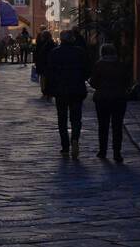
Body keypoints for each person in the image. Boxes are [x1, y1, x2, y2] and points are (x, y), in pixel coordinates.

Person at [45, 29, 90, 159]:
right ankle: (75, 138)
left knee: (62, 119)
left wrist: (49, 90)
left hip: (60, 91)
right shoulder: (80, 53)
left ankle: (65, 147)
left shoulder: (54, 53)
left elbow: (50, 73)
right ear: (72, 39)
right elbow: (87, 71)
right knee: (76, 118)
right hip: (77, 90)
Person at [88, 43, 131, 162]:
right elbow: (127, 81)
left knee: (103, 126)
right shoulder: (120, 65)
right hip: (119, 99)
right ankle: (117, 152)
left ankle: (103, 151)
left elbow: (93, 83)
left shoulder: (99, 65)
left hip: (102, 99)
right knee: (117, 126)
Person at [34, 26, 54, 96]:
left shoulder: (40, 42)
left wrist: (36, 61)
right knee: (48, 77)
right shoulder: (52, 43)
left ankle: (44, 89)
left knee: (43, 76)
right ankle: (48, 89)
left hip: (43, 63)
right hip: (49, 64)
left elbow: (37, 52)